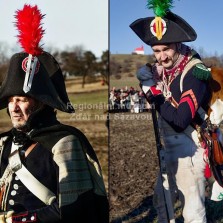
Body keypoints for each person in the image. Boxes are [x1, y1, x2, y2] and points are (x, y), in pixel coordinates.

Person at [0, 4, 108, 223]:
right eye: (11, 101)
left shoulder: (66, 143)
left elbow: (74, 209)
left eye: (21, 100)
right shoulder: (4, 143)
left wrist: (15, 220)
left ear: (41, 103)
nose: (14, 108)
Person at [130, 1, 212, 222]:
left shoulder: (195, 71)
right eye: (156, 51)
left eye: (166, 49)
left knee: (192, 212)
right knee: (161, 201)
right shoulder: (163, 69)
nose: (162, 56)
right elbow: (151, 79)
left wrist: (152, 93)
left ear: (178, 45)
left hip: (191, 148)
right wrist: (145, 79)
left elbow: (179, 120)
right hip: (169, 149)